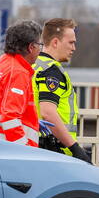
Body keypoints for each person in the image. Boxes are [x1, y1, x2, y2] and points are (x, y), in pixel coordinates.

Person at [33, 18, 90, 162]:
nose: (74, 48)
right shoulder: (52, 71)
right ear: (55, 42)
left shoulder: (35, 65)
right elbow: (48, 112)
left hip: (37, 145)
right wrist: (75, 148)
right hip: (55, 150)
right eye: (71, 42)